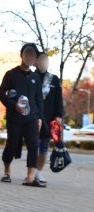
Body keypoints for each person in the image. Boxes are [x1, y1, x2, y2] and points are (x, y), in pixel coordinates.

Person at [0, 42, 45, 187]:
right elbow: (2, 94)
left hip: (32, 119)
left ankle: (30, 178)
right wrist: (14, 105)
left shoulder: (36, 78)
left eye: (33, 55)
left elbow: (38, 100)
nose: (29, 57)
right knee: (11, 145)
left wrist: (40, 118)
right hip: (15, 118)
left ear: (35, 59)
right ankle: (7, 172)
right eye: (27, 54)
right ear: (22, 55)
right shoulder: (11, 74)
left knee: (33, 146)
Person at [35, 52, 64, 183]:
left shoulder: (53, 79)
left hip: (49, 119)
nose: (43, 63)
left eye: (46, 60)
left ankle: (38, 172)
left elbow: (59, 99)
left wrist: (59, 115)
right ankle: (31, 172)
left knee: (44, 147)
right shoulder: (31, 77)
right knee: (33, 146)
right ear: (36, 62)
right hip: (34, 118)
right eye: (41, 60)